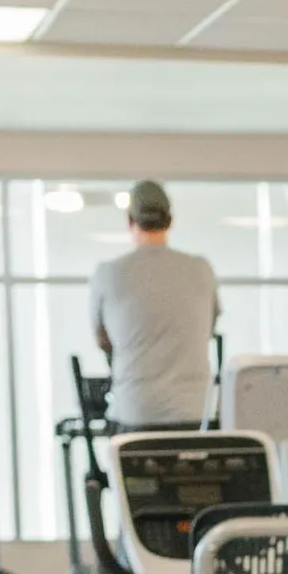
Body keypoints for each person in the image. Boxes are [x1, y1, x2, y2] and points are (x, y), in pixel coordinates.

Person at [86, 179, 219, 429]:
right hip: (194, 412)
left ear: (129, 220)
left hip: (135, 411)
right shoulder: (201, 270)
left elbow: (102, 340)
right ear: (170, 220)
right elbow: (208, 330)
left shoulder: (109, 273)